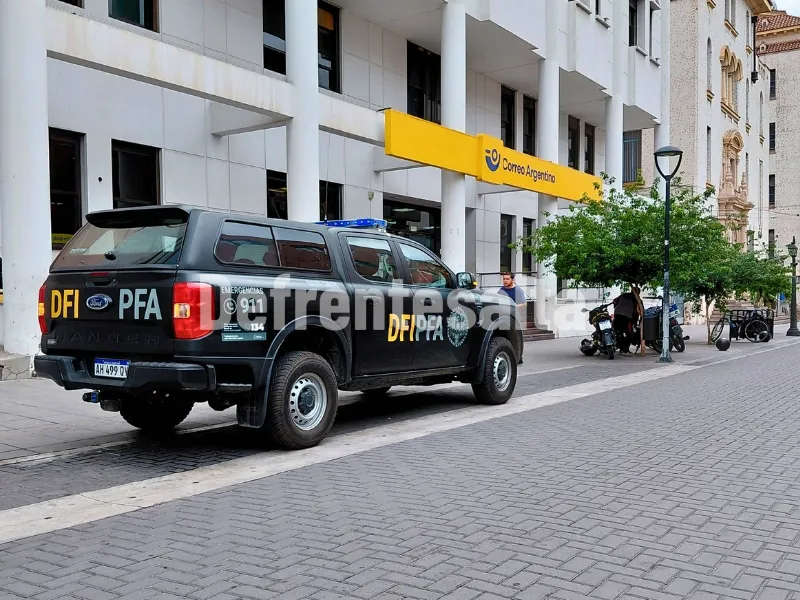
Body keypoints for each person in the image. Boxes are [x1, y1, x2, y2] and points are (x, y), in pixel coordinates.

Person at [499, 272, 526, 364]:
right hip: (504, 317)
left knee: (515, 337)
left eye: (507, 279)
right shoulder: (501, 290)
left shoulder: (517, 290)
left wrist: (513, 307)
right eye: (504, 279)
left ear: (512, 280)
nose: (505, 281)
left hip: (515, 317)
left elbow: (524, 304)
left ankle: (519, 356)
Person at [612, 287, 639, 355]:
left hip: (617, 314)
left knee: (619, 332)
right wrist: (635, 323)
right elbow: (636, 312)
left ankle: (622, 349)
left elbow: (614, 301)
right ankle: (625, 350)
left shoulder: (624, 295)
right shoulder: (637, 300)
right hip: (626, 317)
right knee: (629, 333)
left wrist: (617, 308)